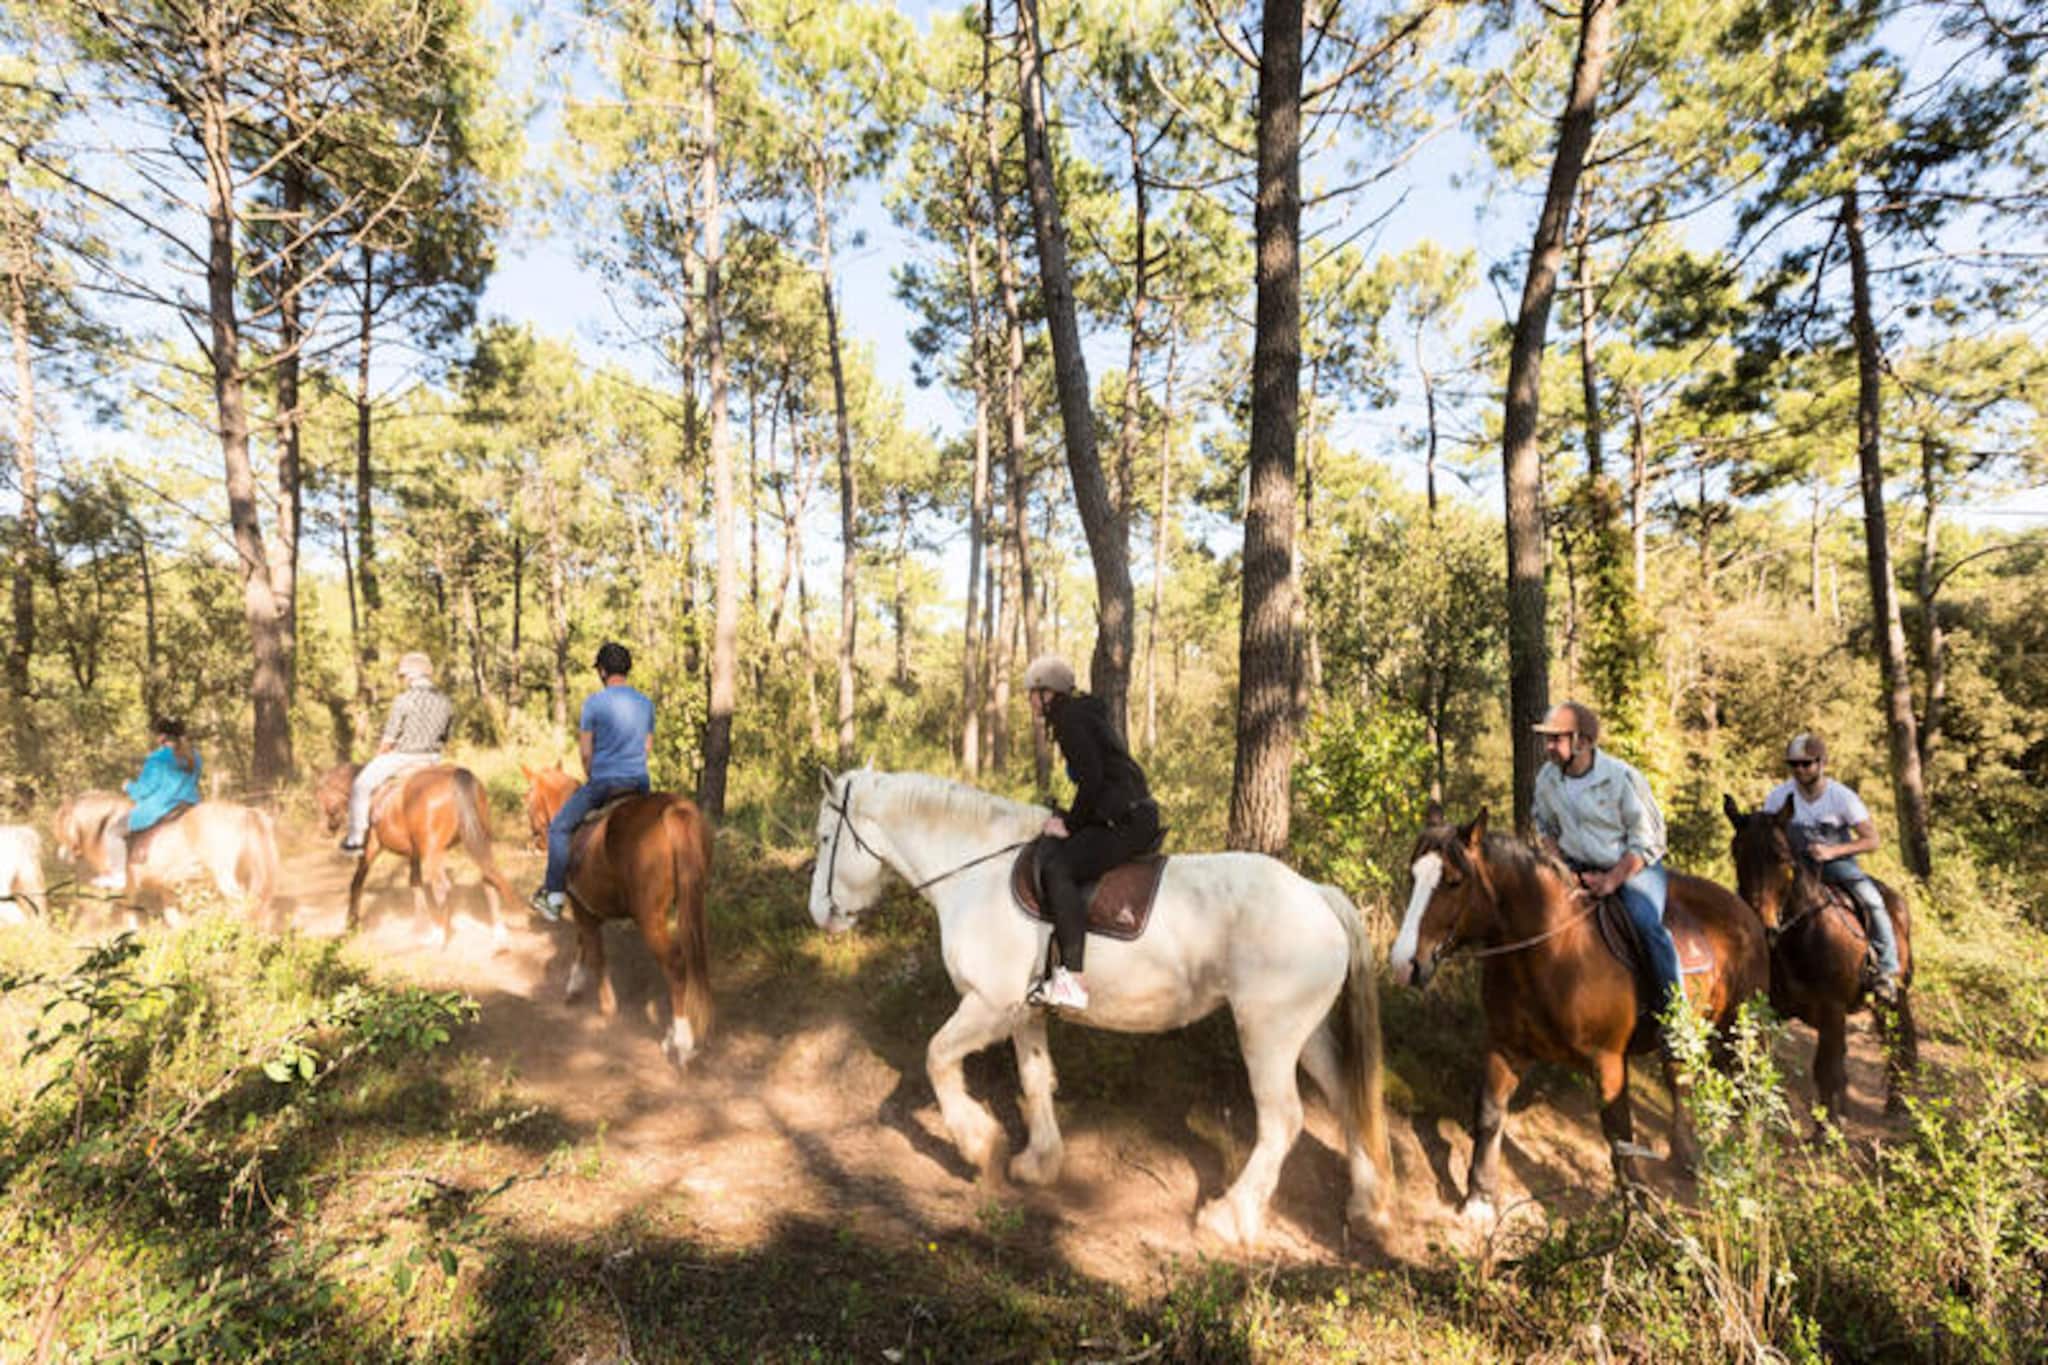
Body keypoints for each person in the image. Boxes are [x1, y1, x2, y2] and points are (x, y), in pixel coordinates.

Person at [1021, 654, 1160, 1013]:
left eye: (1032, 694)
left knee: (1059, 866)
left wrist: (1069, 824)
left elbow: (1093, 780)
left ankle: (1071, 979)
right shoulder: (1080, 714)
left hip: (1125, 820)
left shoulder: (1070, 720)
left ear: (1048, 693)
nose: (1029, 702)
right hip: (1125, 812)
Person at [1529, 701, 1681, 1025]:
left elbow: (1647, 839)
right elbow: (1544, 827)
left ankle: (1675, 1016)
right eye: (1548, 739)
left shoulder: (1621, 777)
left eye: (1556, 739)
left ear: (1582, 742)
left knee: (1645, 924)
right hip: (1574, 866)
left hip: (1632, 867)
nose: (1549, 747)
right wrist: (1563, 869)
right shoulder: (1547, 778)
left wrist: (1612, 880)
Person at [1765, 733, 1900, 1001]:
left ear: (1822, 762)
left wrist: (1832, 851)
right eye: (1794, 765)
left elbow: (1872, 840)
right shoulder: (1778, 796)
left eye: (1807, 764)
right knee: (1758, 900)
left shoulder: (1842, 797)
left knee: (1872, 900)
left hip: (1837, 865)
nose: (1800, 770)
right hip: (1794, 867)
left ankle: (1885, 968)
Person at [531, 641, 655, 922]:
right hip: (639, 784)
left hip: (604, 783)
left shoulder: (594, 703)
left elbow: (586, 753)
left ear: (601, 671)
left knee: (560, 829)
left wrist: (593, 776)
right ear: (628, 670)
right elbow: (646, 748)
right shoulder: (646, 704)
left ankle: (553, 897)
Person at [340, 651, 455, 854]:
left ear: (410, 675)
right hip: (433, 759)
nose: (403, 680)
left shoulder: (404, 700)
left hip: (404, 757)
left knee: (361, 785)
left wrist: (378, 757)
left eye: (403, 676)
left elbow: (389, 739)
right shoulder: (445, 701)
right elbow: (446, 736)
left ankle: (355, 839)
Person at [100, 717, 202, 889]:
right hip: (188, 805)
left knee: (114, 832)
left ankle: (118, 876)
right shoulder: (195, 757)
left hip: (163, 806)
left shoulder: (157, 758)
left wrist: (129, 786)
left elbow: (146, 789)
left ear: (162, 737)